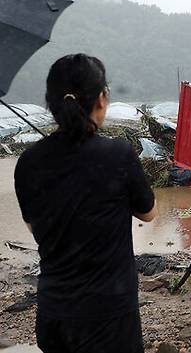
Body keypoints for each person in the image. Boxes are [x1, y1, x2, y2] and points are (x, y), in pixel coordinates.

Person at [13, 54, 156, 353]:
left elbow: (33, 225)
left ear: (50, 102)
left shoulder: (28, 162)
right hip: (109, 318)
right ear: (102, 98)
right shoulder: (118, 155)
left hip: (54, 315)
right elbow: (149, 212)